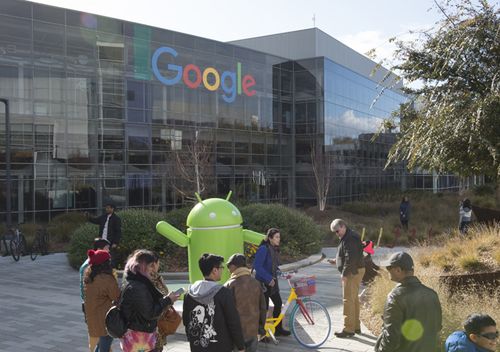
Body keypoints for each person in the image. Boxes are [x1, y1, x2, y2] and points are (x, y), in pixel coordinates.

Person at [375, 252, 442, 352]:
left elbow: (391, 338)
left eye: (389, 268)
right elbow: (437, 327)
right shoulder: (432, 294)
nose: (387, 271)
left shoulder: (395, 297)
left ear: (398, 270)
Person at [183, 253, 245, 352]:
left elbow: (186, 320)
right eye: (221, 267)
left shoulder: (189, 294)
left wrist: (191, 339)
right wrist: (240, 346)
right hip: (221, 346)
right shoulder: (223, 293)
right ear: (214, 270)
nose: (222, 270)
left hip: (197, 345)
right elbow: (233, 322)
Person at [120, 250, 179, 352]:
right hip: (140, 338)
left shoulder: (135, 281)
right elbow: (150, 313)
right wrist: (168, 300)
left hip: (139, 334)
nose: (154, 269)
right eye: (152, 266)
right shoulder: (139, 287)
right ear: (146, 266)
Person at [328, 219, 365, 338]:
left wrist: (344, 274)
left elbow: (351, 258)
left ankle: (349, 329)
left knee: (348, 300)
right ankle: (356, 326)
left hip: (352, 272)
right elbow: (348, 254)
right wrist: (337, 261)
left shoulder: (350, 237)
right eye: (335, 232)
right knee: (353, 299)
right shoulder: (348, 236)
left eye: (337, 231)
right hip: (355, 270)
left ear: (343, 226)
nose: (336, 234)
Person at [224, 253, 266, 352]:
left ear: (233, 266)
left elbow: (225, 312)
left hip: (235, 335)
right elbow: (263, 308)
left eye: (228, 267)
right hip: (253, 331)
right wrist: (261, 328)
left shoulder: (229, 285)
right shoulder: (256, 283)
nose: (228, 270)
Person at [253, 228, 291, 337]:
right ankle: (261, 333)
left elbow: (274, 265)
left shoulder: (274, 249)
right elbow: (257, 266)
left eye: (279, 237)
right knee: (263, 309)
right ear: (270, 238)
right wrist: (269, 278)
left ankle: (278, 329)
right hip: (263, 284)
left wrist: (282, 274)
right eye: (276, 237)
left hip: (272, 284)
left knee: (278, 304)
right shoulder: (263, 249)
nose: (279, 239)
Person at [83, 249, 120, 352]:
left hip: (92, 318)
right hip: (105, 320)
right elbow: (116, 296)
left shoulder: (89, 275)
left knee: (101, 346)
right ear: (105, 263)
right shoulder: (106, 279)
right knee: (104, 347)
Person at [80, 238, 112, 316]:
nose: (108, 251)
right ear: (99, 249)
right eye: (107, 248)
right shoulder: (89, 265)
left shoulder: (98, 262)